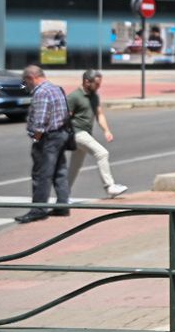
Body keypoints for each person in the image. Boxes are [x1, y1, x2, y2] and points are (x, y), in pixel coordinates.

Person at [19, 65, 72, 223]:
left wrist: (36, 138)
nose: (26, 85)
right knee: (59, 172)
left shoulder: (41, 92)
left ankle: (38, 209)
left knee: (42, 174)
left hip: (48, 138)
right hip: (61, 134)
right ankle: (63, 205)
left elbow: (40, 121)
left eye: (26, 81)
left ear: (32, 78)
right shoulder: (56, 89)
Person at [66, 70, 130, 198]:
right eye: (96, 84)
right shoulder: (74, 97)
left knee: (75, 167)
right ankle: (110, 186)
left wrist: (106, 130)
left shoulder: (94, 96)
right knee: (102, 153)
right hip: (76, 133)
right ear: (86, 82)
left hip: (85, 133)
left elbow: (99, 114)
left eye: (100, 84)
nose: (98, 87)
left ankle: (63, 194)